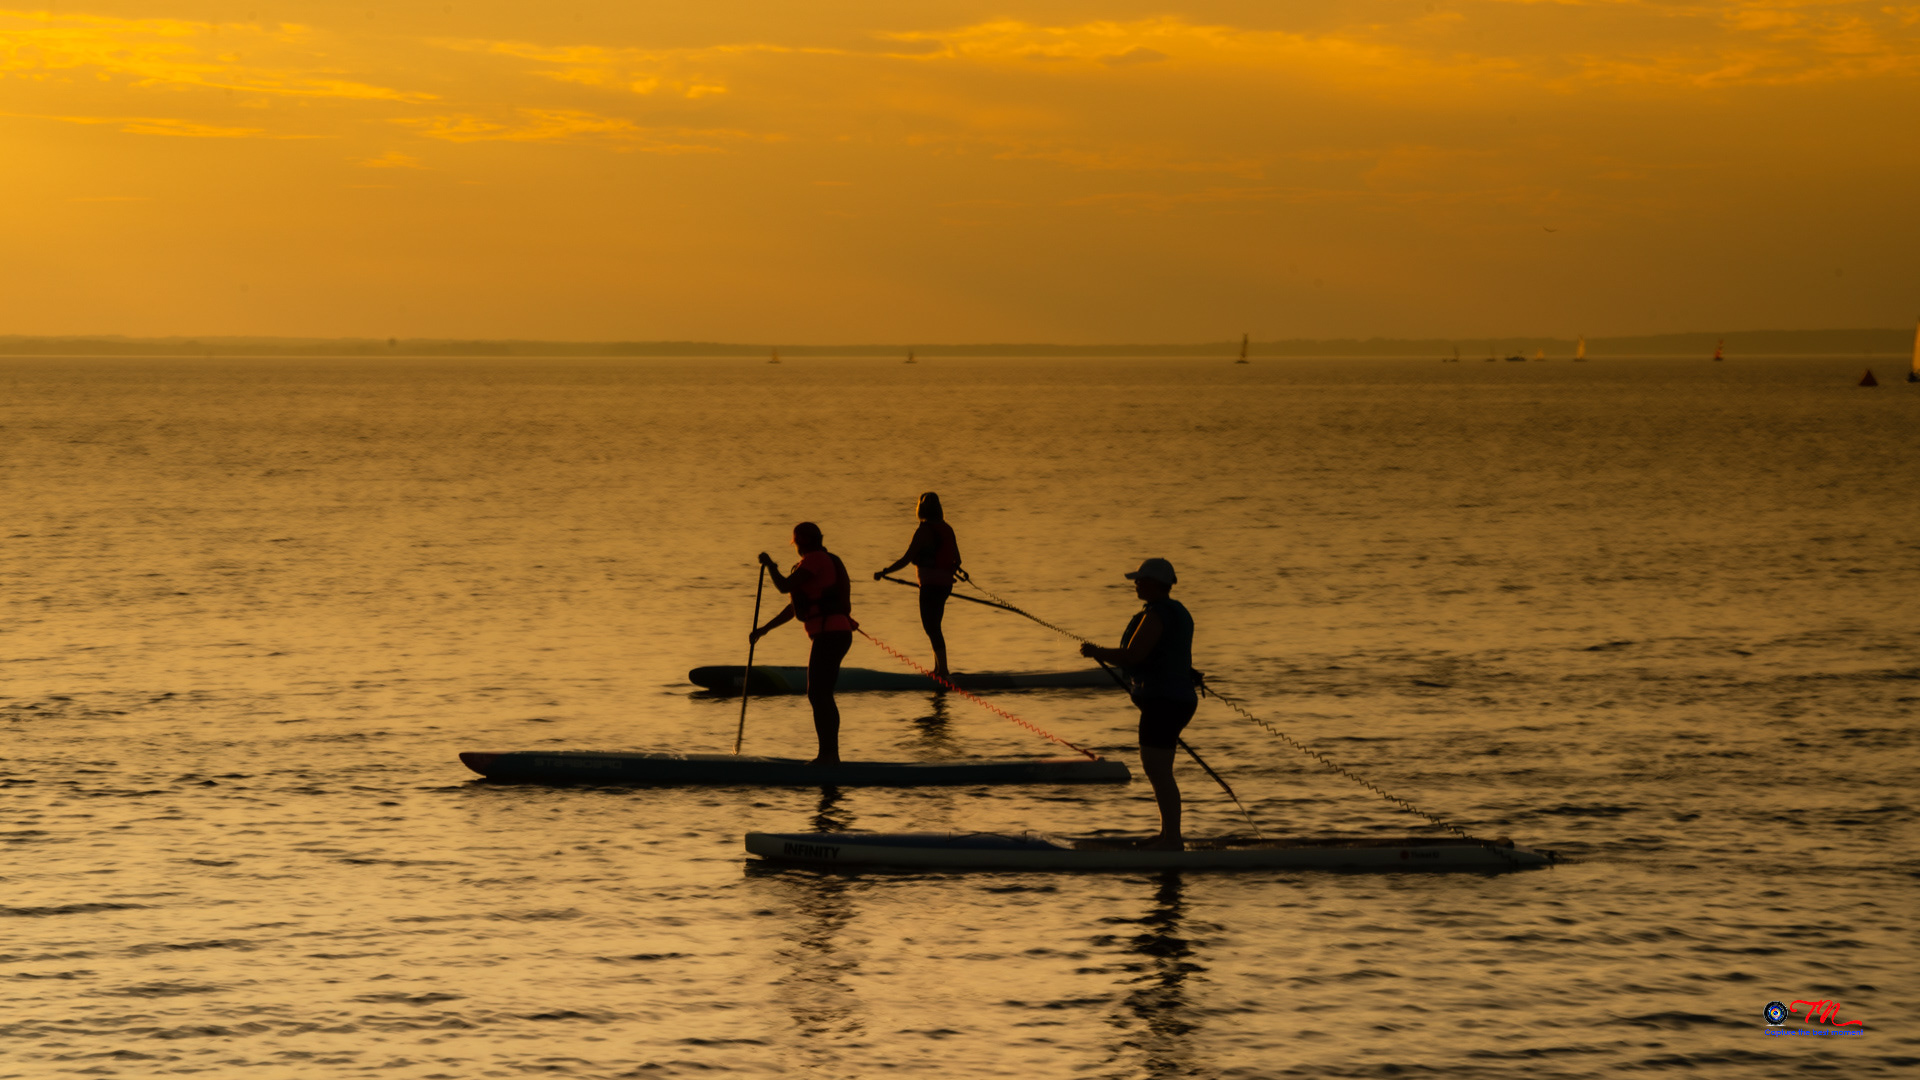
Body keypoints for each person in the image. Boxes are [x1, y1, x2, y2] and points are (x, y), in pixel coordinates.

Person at [1079, 558, 1196, 851]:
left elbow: (1134, 656)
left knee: (1158, 769)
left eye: (1141, 580)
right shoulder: (1177, 611)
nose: (1136, 583)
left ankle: (1172, 839)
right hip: (1173, 700)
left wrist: (1097, 652)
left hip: (1165, 702)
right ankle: (1168, 835)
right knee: (1158, 768)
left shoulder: (1156, 615)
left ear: (1156, 583)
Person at [750, 522, 857, 765]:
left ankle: (829, 756)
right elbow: (794, 606)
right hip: (831, 633)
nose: (795, 547)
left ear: (803, 542)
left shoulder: (815, 559)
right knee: (820, 694)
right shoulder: (818, 562)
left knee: (819, 694)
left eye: (796, 543)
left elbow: (784, 586)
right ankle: (830, 755)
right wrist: (764, 630)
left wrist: (770, 565)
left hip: (830, 633)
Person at [873, 492, 962, 677]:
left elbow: (907, 559)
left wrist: (885, 572)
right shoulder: (947, 528)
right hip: (945, 585)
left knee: (931, 626)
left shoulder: (923, 531)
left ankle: (942, 671)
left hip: (930, 585)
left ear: (921, 510)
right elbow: (958, 559)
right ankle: (939, 669)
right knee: (934, 625)